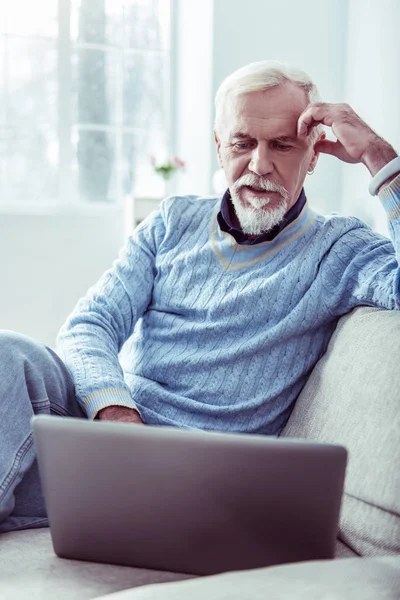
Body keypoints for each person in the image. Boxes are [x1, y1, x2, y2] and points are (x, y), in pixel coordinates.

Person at [1, 60, 399, 534]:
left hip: (192, 473)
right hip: (108, 433)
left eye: (283, 145)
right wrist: (117, 415)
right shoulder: (172, 222)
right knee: (10, 354)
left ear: (314, 153)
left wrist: (380, 158)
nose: (259, 165)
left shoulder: (341, 249)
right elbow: (91, 324)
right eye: (242, 143)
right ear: (219, 146)